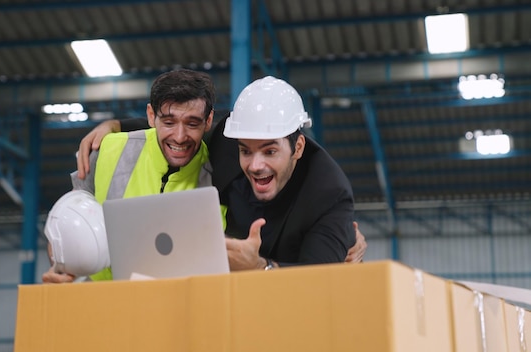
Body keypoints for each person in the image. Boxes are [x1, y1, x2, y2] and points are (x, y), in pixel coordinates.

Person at [75, 75, 367, 272]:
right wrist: (116, 125)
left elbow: (316, 289)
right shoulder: (226, 141)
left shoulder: (330, 198)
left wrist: (260, 267)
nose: (255, 165)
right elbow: (182, 127)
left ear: (298, 147)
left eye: (270, 151)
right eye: (246, 151)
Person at [43, 68, 217, 283]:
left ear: (208, 121)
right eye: (169, 122)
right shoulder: (106, 151)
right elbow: (69, 221)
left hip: (180, 305)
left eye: (192, 123)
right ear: (151, 116)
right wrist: (61, 266)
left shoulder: (220, 170)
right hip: (105, 301)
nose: (180, 137)